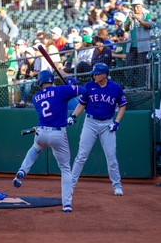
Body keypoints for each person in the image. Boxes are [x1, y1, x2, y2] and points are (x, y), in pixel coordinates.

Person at [12, 70, 86, 212]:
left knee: (35, 148)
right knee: (65, 169)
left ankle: (22, 171)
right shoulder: (61, 90)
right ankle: (67, 204)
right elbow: (84, 91)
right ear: (52, 79)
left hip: (41, 131)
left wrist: (70, 90)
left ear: (40, 81)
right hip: (58, 133)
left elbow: (51, 111)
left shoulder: (36, 97)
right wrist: (74, 85)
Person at [67, 63, 127, 196]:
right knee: (81, 155)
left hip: (107, 124)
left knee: (111, 156)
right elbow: (82, 104)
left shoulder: (115, 88)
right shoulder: (89, 86)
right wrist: (73, 116)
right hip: (90, 122)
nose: (94, 75)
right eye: (93, 73)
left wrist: (117, 122)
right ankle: (70, 185)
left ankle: (117, 185)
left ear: (104, 75)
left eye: (97, 73)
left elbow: (122, 105)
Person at [124, 0, 152, 88]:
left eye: (137, 6)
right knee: (129, 66)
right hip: (131, 45)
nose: (135, 8)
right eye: (134, 6)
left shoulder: (146, 14)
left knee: (142, 67)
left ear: (142, 6)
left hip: (143, 46)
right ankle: (129, 86)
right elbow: (126, 28)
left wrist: (139, 19)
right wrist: (129, 21)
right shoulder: (129, 14)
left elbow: (148, 25)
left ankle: (142, 86)